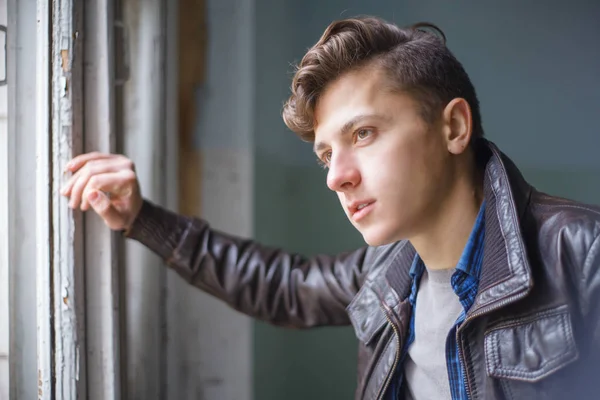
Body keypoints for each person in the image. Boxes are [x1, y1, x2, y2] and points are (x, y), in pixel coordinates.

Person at [60, 16, 600, 400]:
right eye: (325, 156)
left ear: (453, 127)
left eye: (363, 133)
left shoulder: (581, 253)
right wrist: (139, 218)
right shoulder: (386, 270)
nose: (337, 177)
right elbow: (282, 286)